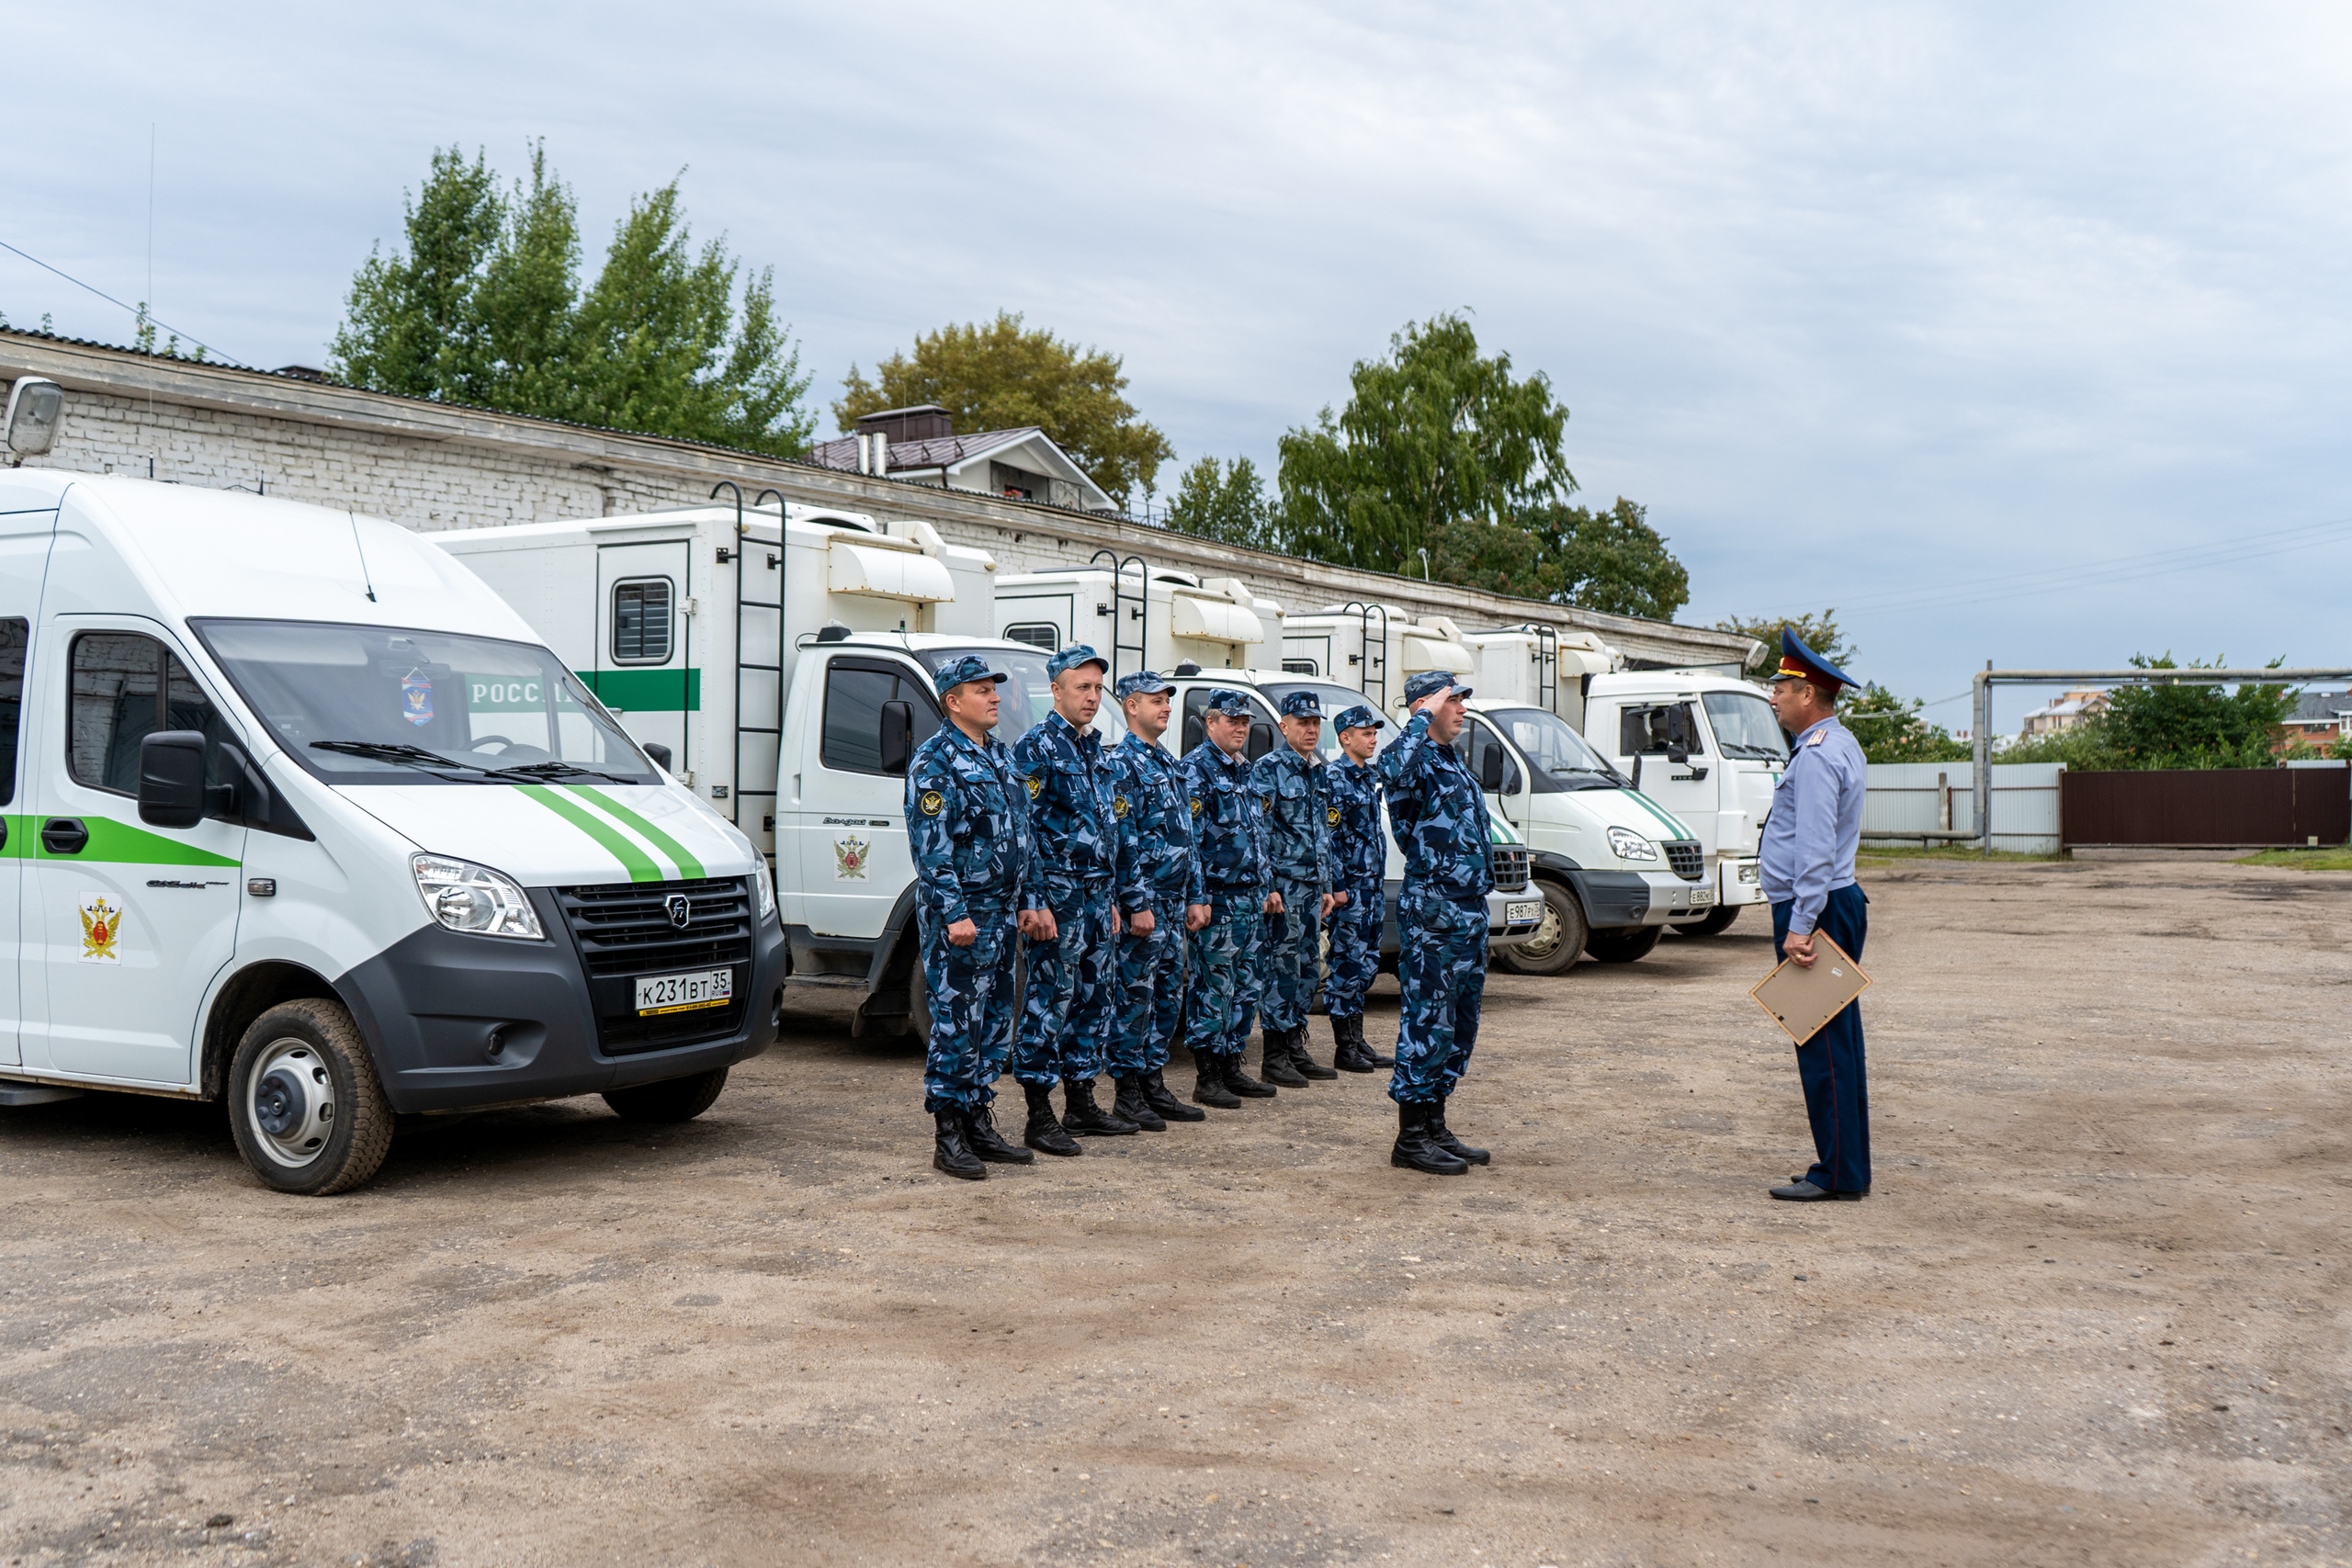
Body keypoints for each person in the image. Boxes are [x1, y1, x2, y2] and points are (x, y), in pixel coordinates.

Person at [904, 654, 1035, 1180]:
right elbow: (931, 850)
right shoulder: (934, 761)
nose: (995, 697)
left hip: (1002, 914)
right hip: (962, 919)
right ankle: (949, 1132)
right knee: (957, 1022)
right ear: (953, 701)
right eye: (982, 690)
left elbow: (1023, 838)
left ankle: (979, 1118)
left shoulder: (999, 756)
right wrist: (956, 914)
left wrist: (1030, 899)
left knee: (994, 1023)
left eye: (995, 689)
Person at [1758, 629, 1871, 1201]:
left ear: (1807, 693)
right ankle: (1846, 1167)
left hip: (1818, 907)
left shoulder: (1818, 755)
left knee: (1823, 1047)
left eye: (1780, 687)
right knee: (1838, 1041)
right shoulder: (1836, 742)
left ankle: (1837, 1176)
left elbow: (1815, 848)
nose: (1773, 696)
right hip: (1832, 902)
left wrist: (1801, 924)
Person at [1010, 644, 1131, 1154]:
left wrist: (1115, 900)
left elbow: (1108, 831)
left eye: (1098, 688)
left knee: (1092, 1000)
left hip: (1097, 899)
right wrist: (1034, 900)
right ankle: (1039, 1115)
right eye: (1082, 687)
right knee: (1049, 1001)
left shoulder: (1095, 749)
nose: (1092, 696)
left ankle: (1080, 1103)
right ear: (1055, 690)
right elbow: (1026, 831)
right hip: (1057, 901)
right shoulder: (1036, 749)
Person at [1378, 671, 1496, 1176]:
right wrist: (1421, 716)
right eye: (1454, 701)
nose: (1463, 709)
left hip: (1468, 908)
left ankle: (1434, 1124)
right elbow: (1388, 766)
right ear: (1426, 706)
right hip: (1434, 908)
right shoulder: (1414, 756)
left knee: (1458, 1025)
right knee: (1428, 1021)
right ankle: (1410, 1138)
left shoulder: (1449, 759)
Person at [1105, 670, 1208, 1131]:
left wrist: (1196, 895)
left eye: (1168, 700)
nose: (1167, 706)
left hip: (1172, 902)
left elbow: (1188, 837)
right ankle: (1127, 1093)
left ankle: (1153, 1082)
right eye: (1156, 701)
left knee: (1167, 996)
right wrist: (1135, 902)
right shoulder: (1121, 765)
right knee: (1135, 997)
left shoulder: (1169, 763)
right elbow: (1122, 840)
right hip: (1144, 905)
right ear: (1131, 706)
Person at [1181, 688, 1279, 1108]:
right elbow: (1191, 844)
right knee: (1213, 986)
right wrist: (1198, 897)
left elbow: (1259, 837)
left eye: (1245, 722)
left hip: (1251, 899)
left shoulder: (1247, 771)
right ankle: (1207, 1075)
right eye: (1232, 720)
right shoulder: (1195, 772)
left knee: (1247, 986)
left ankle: (1231, 1064)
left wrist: (1269, 885)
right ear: (1211, 723)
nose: (1240, 728)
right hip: (1218, 901)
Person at [1251, 690, 1340, 1087]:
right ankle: (1274, 1056)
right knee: (1281, 970)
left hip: (1310, 887)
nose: (1311, 729)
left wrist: (1326, 885)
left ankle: (1294, 1046)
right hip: (1284, 887)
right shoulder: (1268, 770)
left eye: (1316, 723)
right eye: (1303, 723)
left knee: (1307, 970)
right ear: (1283, 726)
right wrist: (1268, 886)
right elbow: (1261, 834)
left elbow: (1322, 833)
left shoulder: (1317, 770)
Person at [1321, 705, 1393, 1074]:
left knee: (1365, 963)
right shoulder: (1335, 777)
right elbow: (1329, 838)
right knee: (1346, 963)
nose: (1373, 738)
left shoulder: (1368, 776)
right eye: (1366, 732)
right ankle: (1344, 1046)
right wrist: (1339, 885)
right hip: (1351, 890)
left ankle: (1358, 1038)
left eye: (1374, 732)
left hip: (1372, 888)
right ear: (1345, 737)